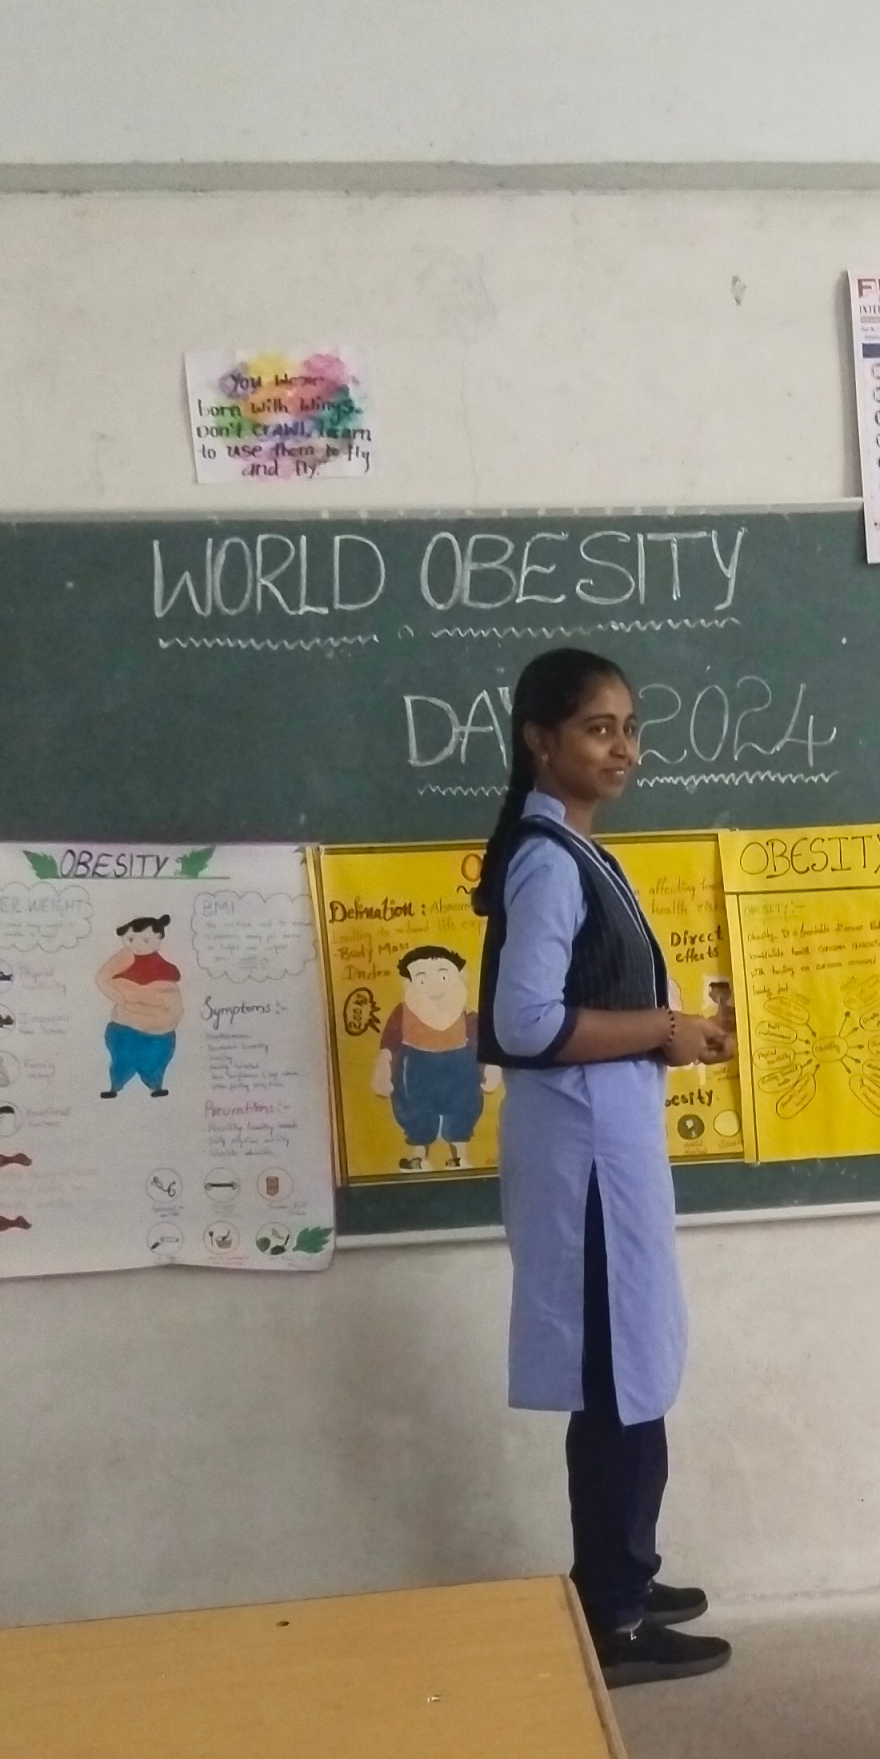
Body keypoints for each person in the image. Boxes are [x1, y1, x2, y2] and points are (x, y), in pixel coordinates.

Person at [474, 649, 734, 1685]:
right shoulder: (548, 861)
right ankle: (613, 1612)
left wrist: (670, 1033)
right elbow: (524, 1025)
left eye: (630, 727)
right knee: (617, 1380)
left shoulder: (577, 850)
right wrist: (664, 1029)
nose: (621, 748)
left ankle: (622, 1573)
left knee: (630, 1370)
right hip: (582, 1158)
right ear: (541, 740)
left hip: (604, 1150)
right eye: (597, 728)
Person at [371, 942, 497, 1168]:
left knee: (463, 1107)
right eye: (422, 980)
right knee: (414, 1109)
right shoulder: (402, 1015)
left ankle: (459, 1154)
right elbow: (388, 1046)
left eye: (443, 977)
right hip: (415, 1071)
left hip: (459, 1070)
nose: (435, 988)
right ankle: (419, 1155)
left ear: (459, 978)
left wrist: (490, 1068)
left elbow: (483, 1046)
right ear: (409, 984)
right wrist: (383, 1070)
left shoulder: (468, 1018)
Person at [95, 913, 182, 1096]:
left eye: (146, 940)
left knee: (155, 1060)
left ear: (159, 938)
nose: (138, 946)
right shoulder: (125, 958)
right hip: (126, 1026)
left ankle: (155, 1086)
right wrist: (126, 999)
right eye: (131, 939)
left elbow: (170, 992)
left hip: (161, 1032)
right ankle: (115, 1086)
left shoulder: (166, 968)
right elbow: (104, 979)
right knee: (122, 1058)